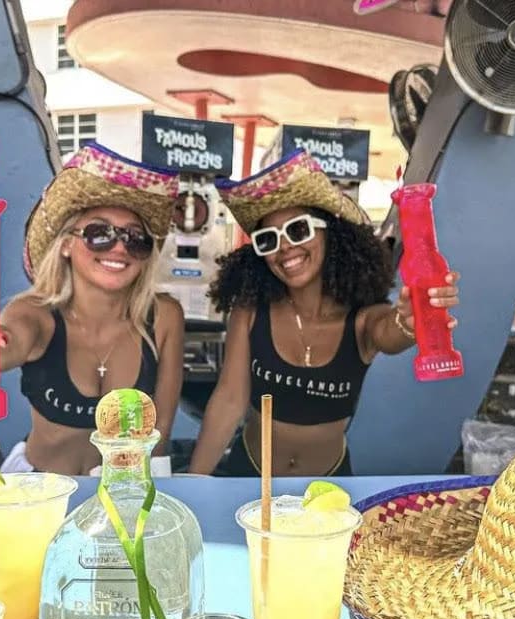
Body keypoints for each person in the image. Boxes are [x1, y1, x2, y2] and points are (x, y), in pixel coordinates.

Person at [189, 149, 460, 476]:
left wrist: (410, 322)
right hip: (250, 476)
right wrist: (194, 481)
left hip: (328, 487)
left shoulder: (361, 319)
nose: (284, 247)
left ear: (330, 233)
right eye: (268, 239)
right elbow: (230, 400)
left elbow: (389, 332)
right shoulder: (250, 311)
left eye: (298, 230)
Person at [0, 143, 185, 475]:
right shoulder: (35, 314)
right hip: (38, 491)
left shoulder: (164, 317)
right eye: (99, 233)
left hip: (123, 491)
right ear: (66, 244)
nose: (120, 247)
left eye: (135, 238)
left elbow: (160, 429)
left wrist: (135, 495)